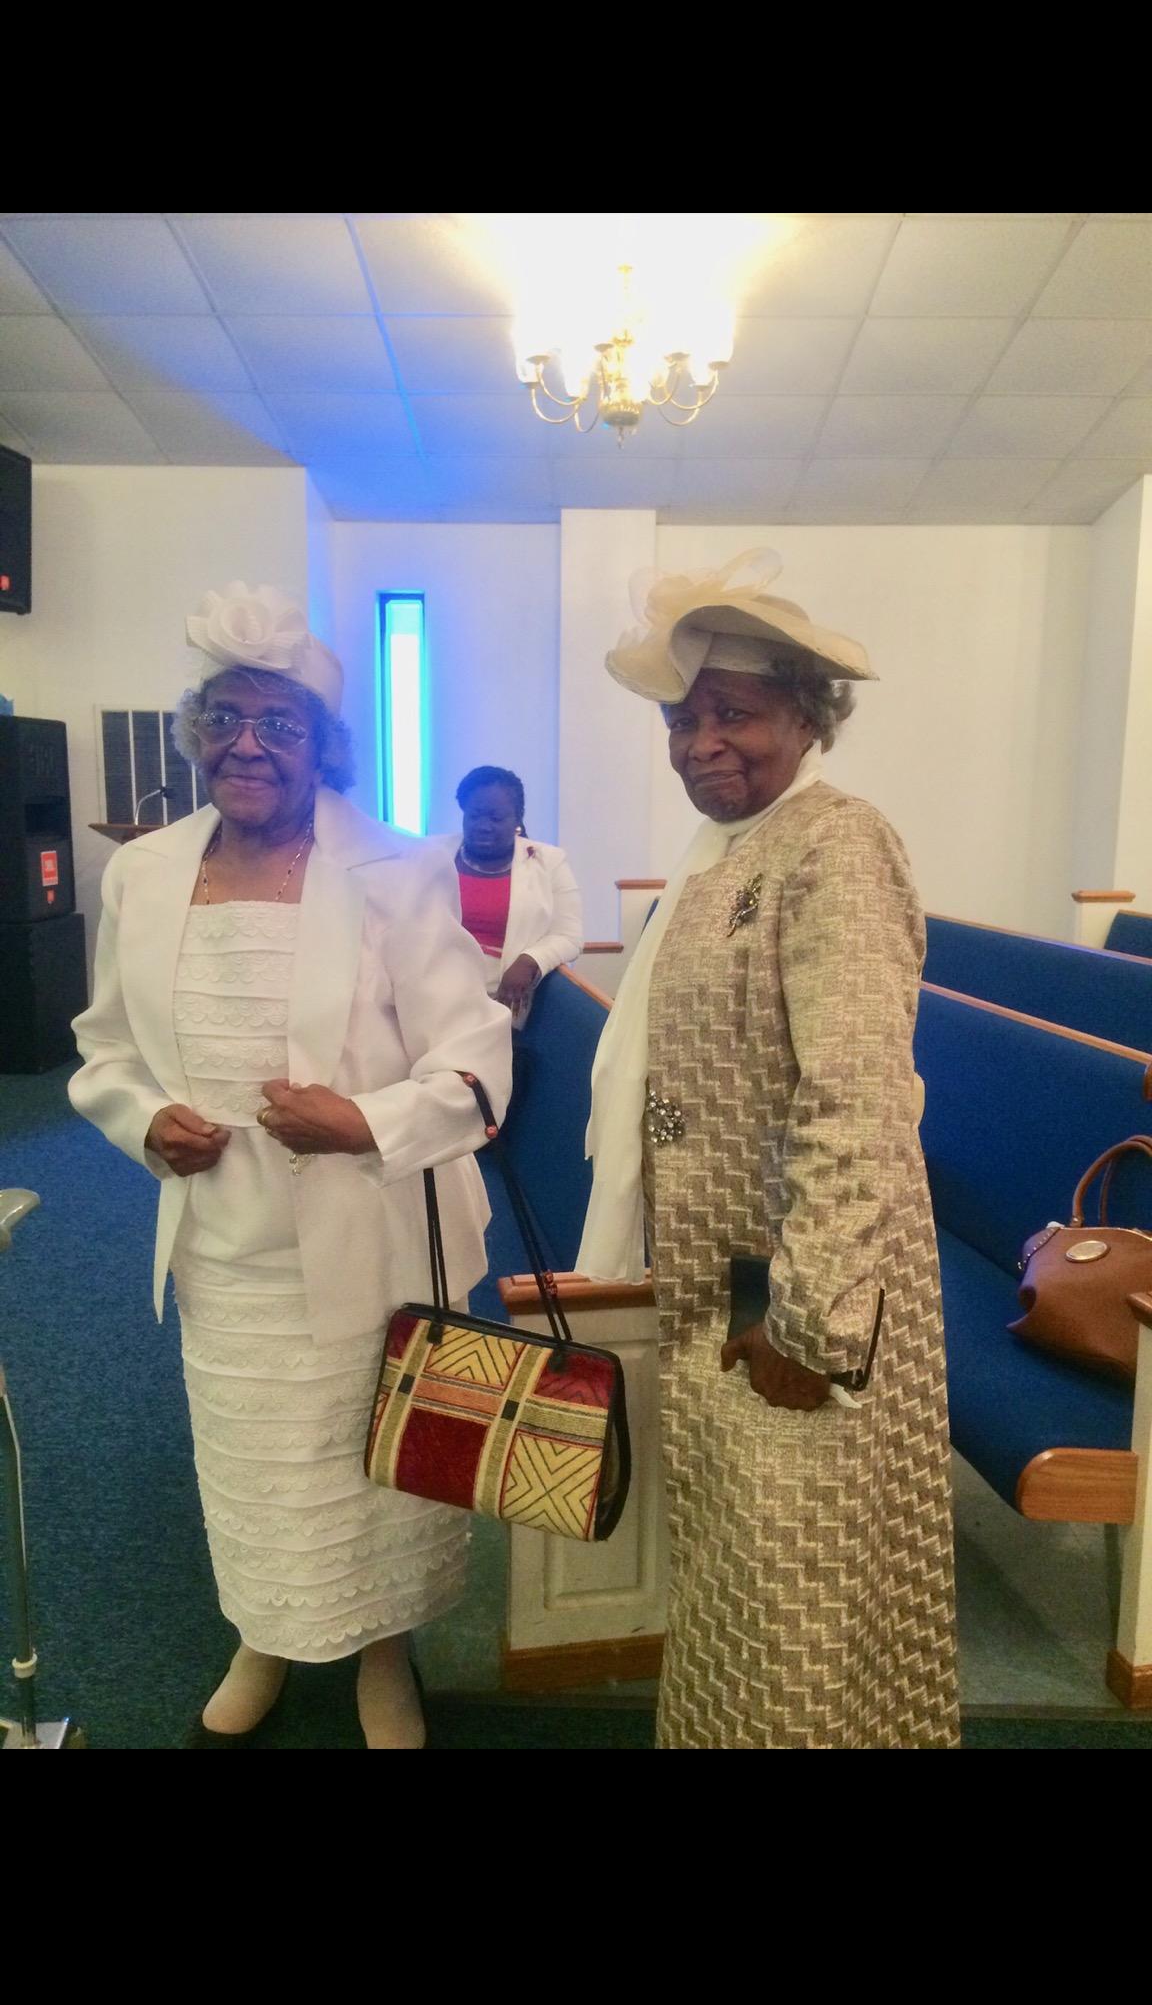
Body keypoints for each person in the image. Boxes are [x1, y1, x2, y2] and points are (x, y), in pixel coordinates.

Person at [69, 582, 511, 1750]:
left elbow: (478, 1057)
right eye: (223, 718)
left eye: (280, 722)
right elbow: (102, 1047)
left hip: (368, 1229)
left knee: (374, 1461)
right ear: (195, 733)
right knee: (255, 1460)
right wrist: (140, 1120)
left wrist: (364, 1120)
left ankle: (384, 1652)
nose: (248, 743)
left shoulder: (397, 868)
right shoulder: (143, 871)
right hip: (224, 1239)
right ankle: (262, 1632)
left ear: (324, 744)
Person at [576, 549, 959, 1750]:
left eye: (732, 712)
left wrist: (811, 1322)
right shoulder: (723, 852)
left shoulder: (836, 844)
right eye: (682, 720)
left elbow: (857, 1097)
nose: (702, 744)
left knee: (803, 1597)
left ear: (806, 713)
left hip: (801, 1298)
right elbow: (683, 1070)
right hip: (723, 1282)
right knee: (743, 1584)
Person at [437, 767, 583, 1025]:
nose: (484, 826)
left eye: (496, 818)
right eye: (474, 816)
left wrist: (529, 961)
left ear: (517, 818)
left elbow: (569, 936)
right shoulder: (433, 855)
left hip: (500, 1000)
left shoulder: (548, 862)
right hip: (435, 992)